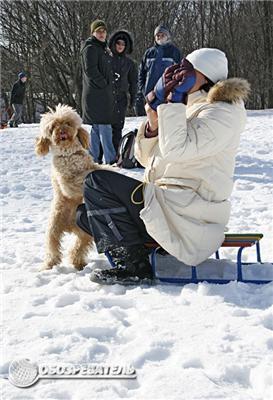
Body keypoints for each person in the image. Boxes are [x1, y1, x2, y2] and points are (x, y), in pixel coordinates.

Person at [76, 48, 250, 285]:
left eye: (188, 69)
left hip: (189, 211)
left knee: (97, 183)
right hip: (169, 204)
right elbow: (147, 159)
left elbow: (177, 149)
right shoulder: (190, 106)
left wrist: (174, 103)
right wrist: (153, 125)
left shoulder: (224, 112)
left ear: (206, 75)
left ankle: (134, 266)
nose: (180, 74)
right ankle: (152, 249)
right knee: (85, 215)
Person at [81, 19, 116, 164]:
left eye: (104, 31)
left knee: (96, 128)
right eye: (98, 31)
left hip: (102, 93)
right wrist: (104, 83)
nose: (102, 34)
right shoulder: (90, 48)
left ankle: (93, 159)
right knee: (105, 126)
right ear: (93, 33)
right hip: (96, 95)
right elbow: (90, 70)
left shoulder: (102, 48)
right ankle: (111, 159)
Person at [136, 25, 182, 115]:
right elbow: (141, 73)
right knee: (151, 123)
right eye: (157, 35)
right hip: (149, 95)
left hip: (167, 95)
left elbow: (179, 73)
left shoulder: (175, 52)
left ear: (167, 36)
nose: (159, 37)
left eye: (162, 35)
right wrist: (143, 89)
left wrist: (174, 91)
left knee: (165, 122)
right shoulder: (149, 53)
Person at [108, 30, 137, 154]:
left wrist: (133, 99)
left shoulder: (130, 63)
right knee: (105, 129)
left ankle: (116, 154)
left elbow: (133, 83)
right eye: (118, 43)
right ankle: (103, 155)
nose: (120, 46)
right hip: (107, 98)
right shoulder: (106, 59)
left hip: (121, 98)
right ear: (114, 44)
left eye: (123, 44)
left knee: (118, 128)